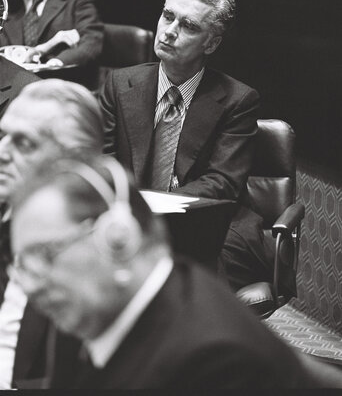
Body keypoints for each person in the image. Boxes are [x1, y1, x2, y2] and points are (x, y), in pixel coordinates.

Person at [9, 155, 342, 389]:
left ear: (118, 239)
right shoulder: (90, 307)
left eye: (44, 255)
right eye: (22, 264)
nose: (30, 285)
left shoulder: (216, 366)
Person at [99, 0, 285, 294]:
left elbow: (222, 183)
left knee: (175, 282)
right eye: (167, 16)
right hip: (128, 217)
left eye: (188, 26)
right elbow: (102, 161)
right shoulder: (120, 84)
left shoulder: (237, 100)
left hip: (208, 226)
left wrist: (155, 208)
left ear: (210, 44)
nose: (170, 31)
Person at [0, 78, 103, 389]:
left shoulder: (95, 263)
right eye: (2, 135)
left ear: (73, 161)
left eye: (24, 143)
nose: (1, 152)